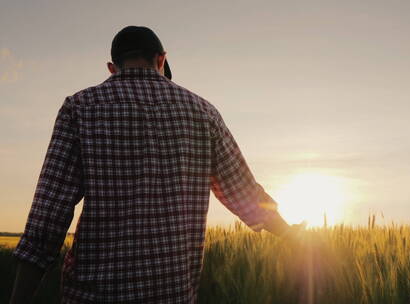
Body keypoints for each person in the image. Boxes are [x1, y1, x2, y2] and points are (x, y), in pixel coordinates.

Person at [9, 25, 296, 304]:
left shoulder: (80, 107)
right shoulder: (203, 112)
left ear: (112, 67)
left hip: (96, 293)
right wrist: (296, 239)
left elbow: (48, 215)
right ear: (161, 59)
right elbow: (245, 194)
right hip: (174, 293)